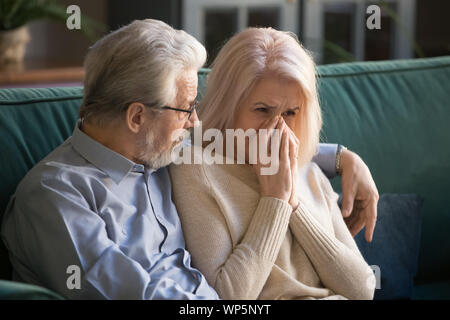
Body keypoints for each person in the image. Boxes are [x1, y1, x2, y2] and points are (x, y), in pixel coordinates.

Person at [1, 19, 377, 300]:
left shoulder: (160, 146)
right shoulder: (56, 196)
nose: (197, 121)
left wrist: (342, 159)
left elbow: (245, 136)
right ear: (137, 117)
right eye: (186, 109)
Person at [169, 27, 377, 300]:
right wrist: (275, 200)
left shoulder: (310, 172)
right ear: (227, 107)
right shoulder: (196, 171)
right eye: (262, 110)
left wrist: (292, 203)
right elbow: (227, 298)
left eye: (290, 112)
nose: (278, 127)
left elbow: (363, 288)